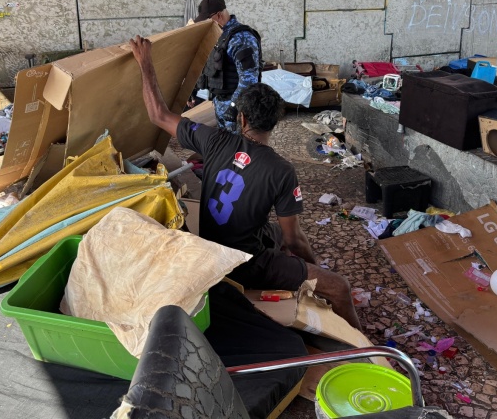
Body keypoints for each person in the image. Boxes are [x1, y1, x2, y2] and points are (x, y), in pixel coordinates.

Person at [129, 35, 361, 329]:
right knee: (338, 286)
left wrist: (145, 62)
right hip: (244, 263)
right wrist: (315, 271)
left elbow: (158, 114)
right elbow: (295, 240)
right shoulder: (281, 170)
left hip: (213, 249)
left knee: (274, 233)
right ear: (275, 122)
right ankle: (366, 352)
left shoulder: (213, 140)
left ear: (241, 119)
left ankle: (283, 287)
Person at [194, 0, 262, 133]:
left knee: (239, 149)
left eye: (207, 19)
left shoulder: (241, 37)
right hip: (221, 104)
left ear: (218, 15)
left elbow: (249, 79)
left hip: (238, 109)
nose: (205, 24)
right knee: (225, 149)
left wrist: (234, 107)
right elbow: (212, 66)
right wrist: (195, 88)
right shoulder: (219, 35)